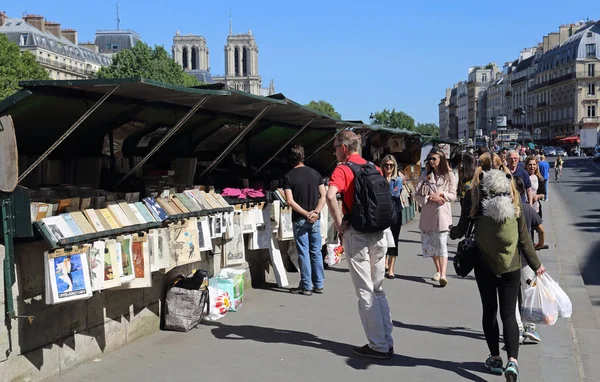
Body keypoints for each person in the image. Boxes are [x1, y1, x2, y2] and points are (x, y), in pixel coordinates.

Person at [451, 158, 545, 382]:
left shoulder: (474, 200)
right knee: (509, 314)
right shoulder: (516, 203)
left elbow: (462, 229)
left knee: (489, 311)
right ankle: (513, 362)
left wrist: (452, 232)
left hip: (484, 265)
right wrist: (537, 265)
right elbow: (524, 241)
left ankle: (495, 359)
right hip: (512, 266)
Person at [326, 130, 394, 360]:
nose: (334, 151)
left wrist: (338, 224)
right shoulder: (372, 167)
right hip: (379, 233)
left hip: (358, 233)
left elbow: (330, 195)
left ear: (344, 148)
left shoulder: (343, 169)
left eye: (335, 147)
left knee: (365, 291)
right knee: (378, 289)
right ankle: (387, 340)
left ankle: (378, 345)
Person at [283, 145, 327, 296]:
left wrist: (305, 213)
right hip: (315, 219)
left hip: (300, 219)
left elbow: (290, 201)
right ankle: (319, 284)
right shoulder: (315, 174)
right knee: (316, 251)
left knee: (304, 253)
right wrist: (316, 212)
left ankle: (306, 286)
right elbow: (324, 195)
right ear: (303, 157)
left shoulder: (289, 176)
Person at [415, 148, 457, 287]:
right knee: (431, 246)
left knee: (442, 244)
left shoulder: (449, 175)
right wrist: (429, 197)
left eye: (434, 159)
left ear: (441, 160)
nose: (432, 161)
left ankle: (443, 274)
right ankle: (438, 270)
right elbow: (417, 195)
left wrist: (441, 194)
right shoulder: (425, 175)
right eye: (430, 159)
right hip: (428, 215)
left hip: (442, 215)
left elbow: (453, 195)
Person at [513, 176, 545, 345]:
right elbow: (541, 229)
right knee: (529, 293)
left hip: (509, 259)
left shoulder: (506, 209)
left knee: (511, 297)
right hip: (527, 259)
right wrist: (540, 244)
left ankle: (517, 329)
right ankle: (530, 327)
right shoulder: (528, 208)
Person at [381, 154, 404, 279]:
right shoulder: (379, 178)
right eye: (386, 165)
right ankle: (383, 263)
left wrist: (383, 192)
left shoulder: (398, 179)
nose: (388, 167)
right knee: (382, 239)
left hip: (395, 211)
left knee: (394, 240)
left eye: (391, 165)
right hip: (383, 212)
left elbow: (395, 193)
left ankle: (391, 268)